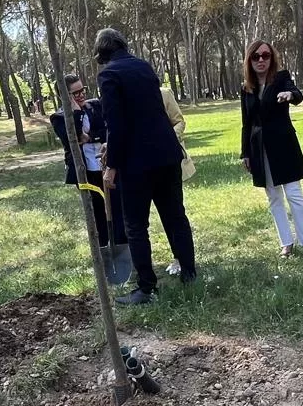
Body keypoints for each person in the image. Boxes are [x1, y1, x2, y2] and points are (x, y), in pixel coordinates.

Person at [95, 28, 197, 305]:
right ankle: (190, 274)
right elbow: (149, 114)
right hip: (167, 154)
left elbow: (116, 124)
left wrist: (111, 166)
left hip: (136, 163)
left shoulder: (108, 75)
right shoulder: (144, 67)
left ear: (102, 53)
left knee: (136, 226)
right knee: (175, 216)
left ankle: (146, 288)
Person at [239, 40, 303, 259]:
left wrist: (289, 95)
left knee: (293, 194)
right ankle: (286, 243)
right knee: (273, 197)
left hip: (283, 145)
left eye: (266, 55)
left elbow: (296, 93)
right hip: (259, 148)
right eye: (256, 56)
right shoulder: (247, 88)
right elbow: (246, 123)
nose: (261, 60)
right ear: (249, 60)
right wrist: (245, 153)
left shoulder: (281, 78)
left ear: (272, 58)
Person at [51, 72, 125, 250]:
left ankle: (122, 245)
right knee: (97, 210)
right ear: (64, 96)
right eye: (75, 93)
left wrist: (90, 137)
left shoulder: (96, 106)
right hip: (85, 171)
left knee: (117, 206)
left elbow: (107, 130)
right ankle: (102, 248)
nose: (81, 94)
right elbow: (72, 137)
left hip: (107, 165)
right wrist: (76, 112)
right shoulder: (59, 117)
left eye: (82, 90)